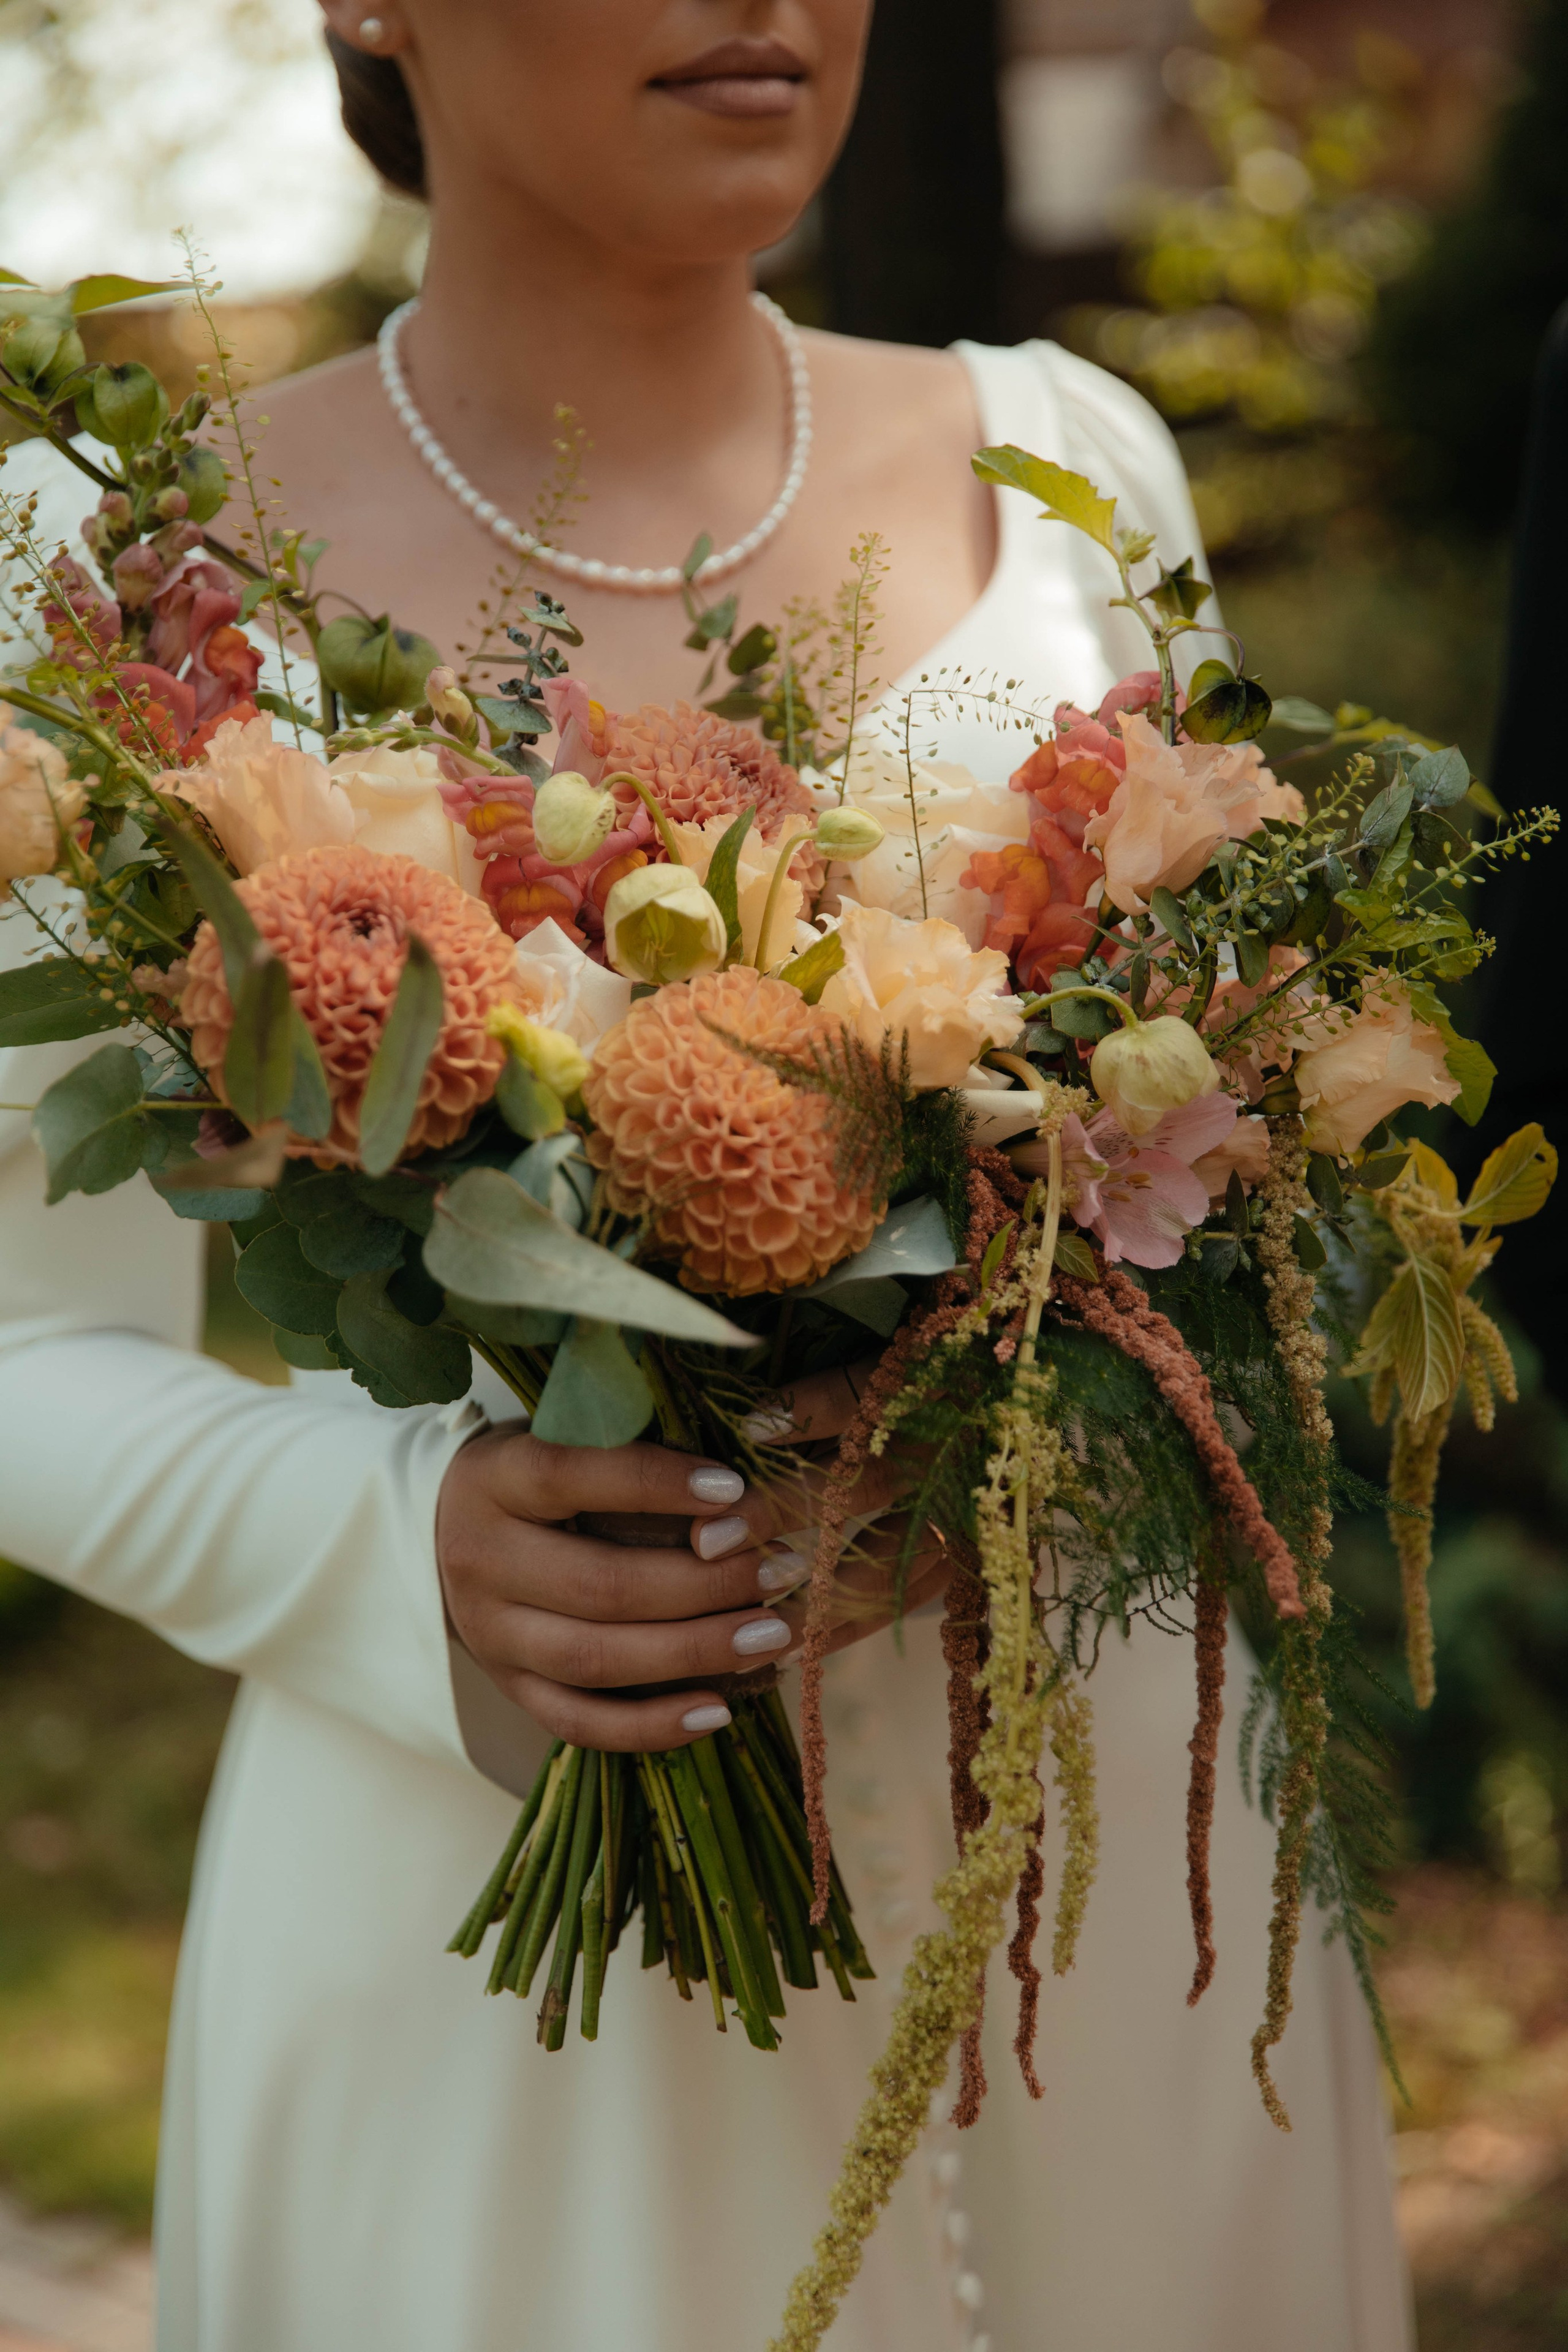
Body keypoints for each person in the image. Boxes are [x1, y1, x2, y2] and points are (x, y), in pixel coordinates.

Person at [0, 4, 1414, 2346]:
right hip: (500, 1944)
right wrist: (402, 1550)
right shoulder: (116, 570)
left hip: (1130, 1905)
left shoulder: (1076, 460)